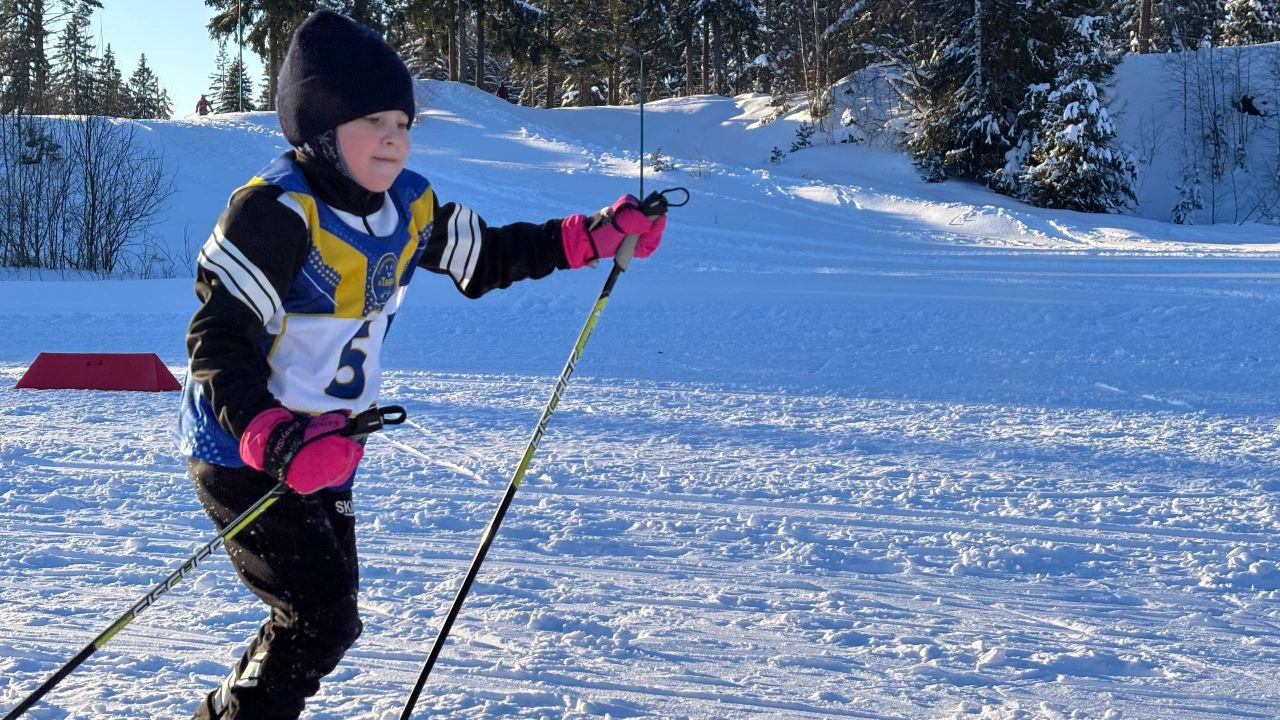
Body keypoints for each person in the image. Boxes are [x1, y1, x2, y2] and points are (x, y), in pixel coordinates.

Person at [175, 10, 666, 720]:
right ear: (318, 126)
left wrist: (592, 237)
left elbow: (489, 254)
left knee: (328, 620)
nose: (394, 138)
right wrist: (272, 436)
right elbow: (217, 339)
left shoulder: (409, 207)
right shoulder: (276, 212)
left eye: (403, 122)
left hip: (328, 445)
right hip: (243, 447)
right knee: (320, 621)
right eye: (372, 119)